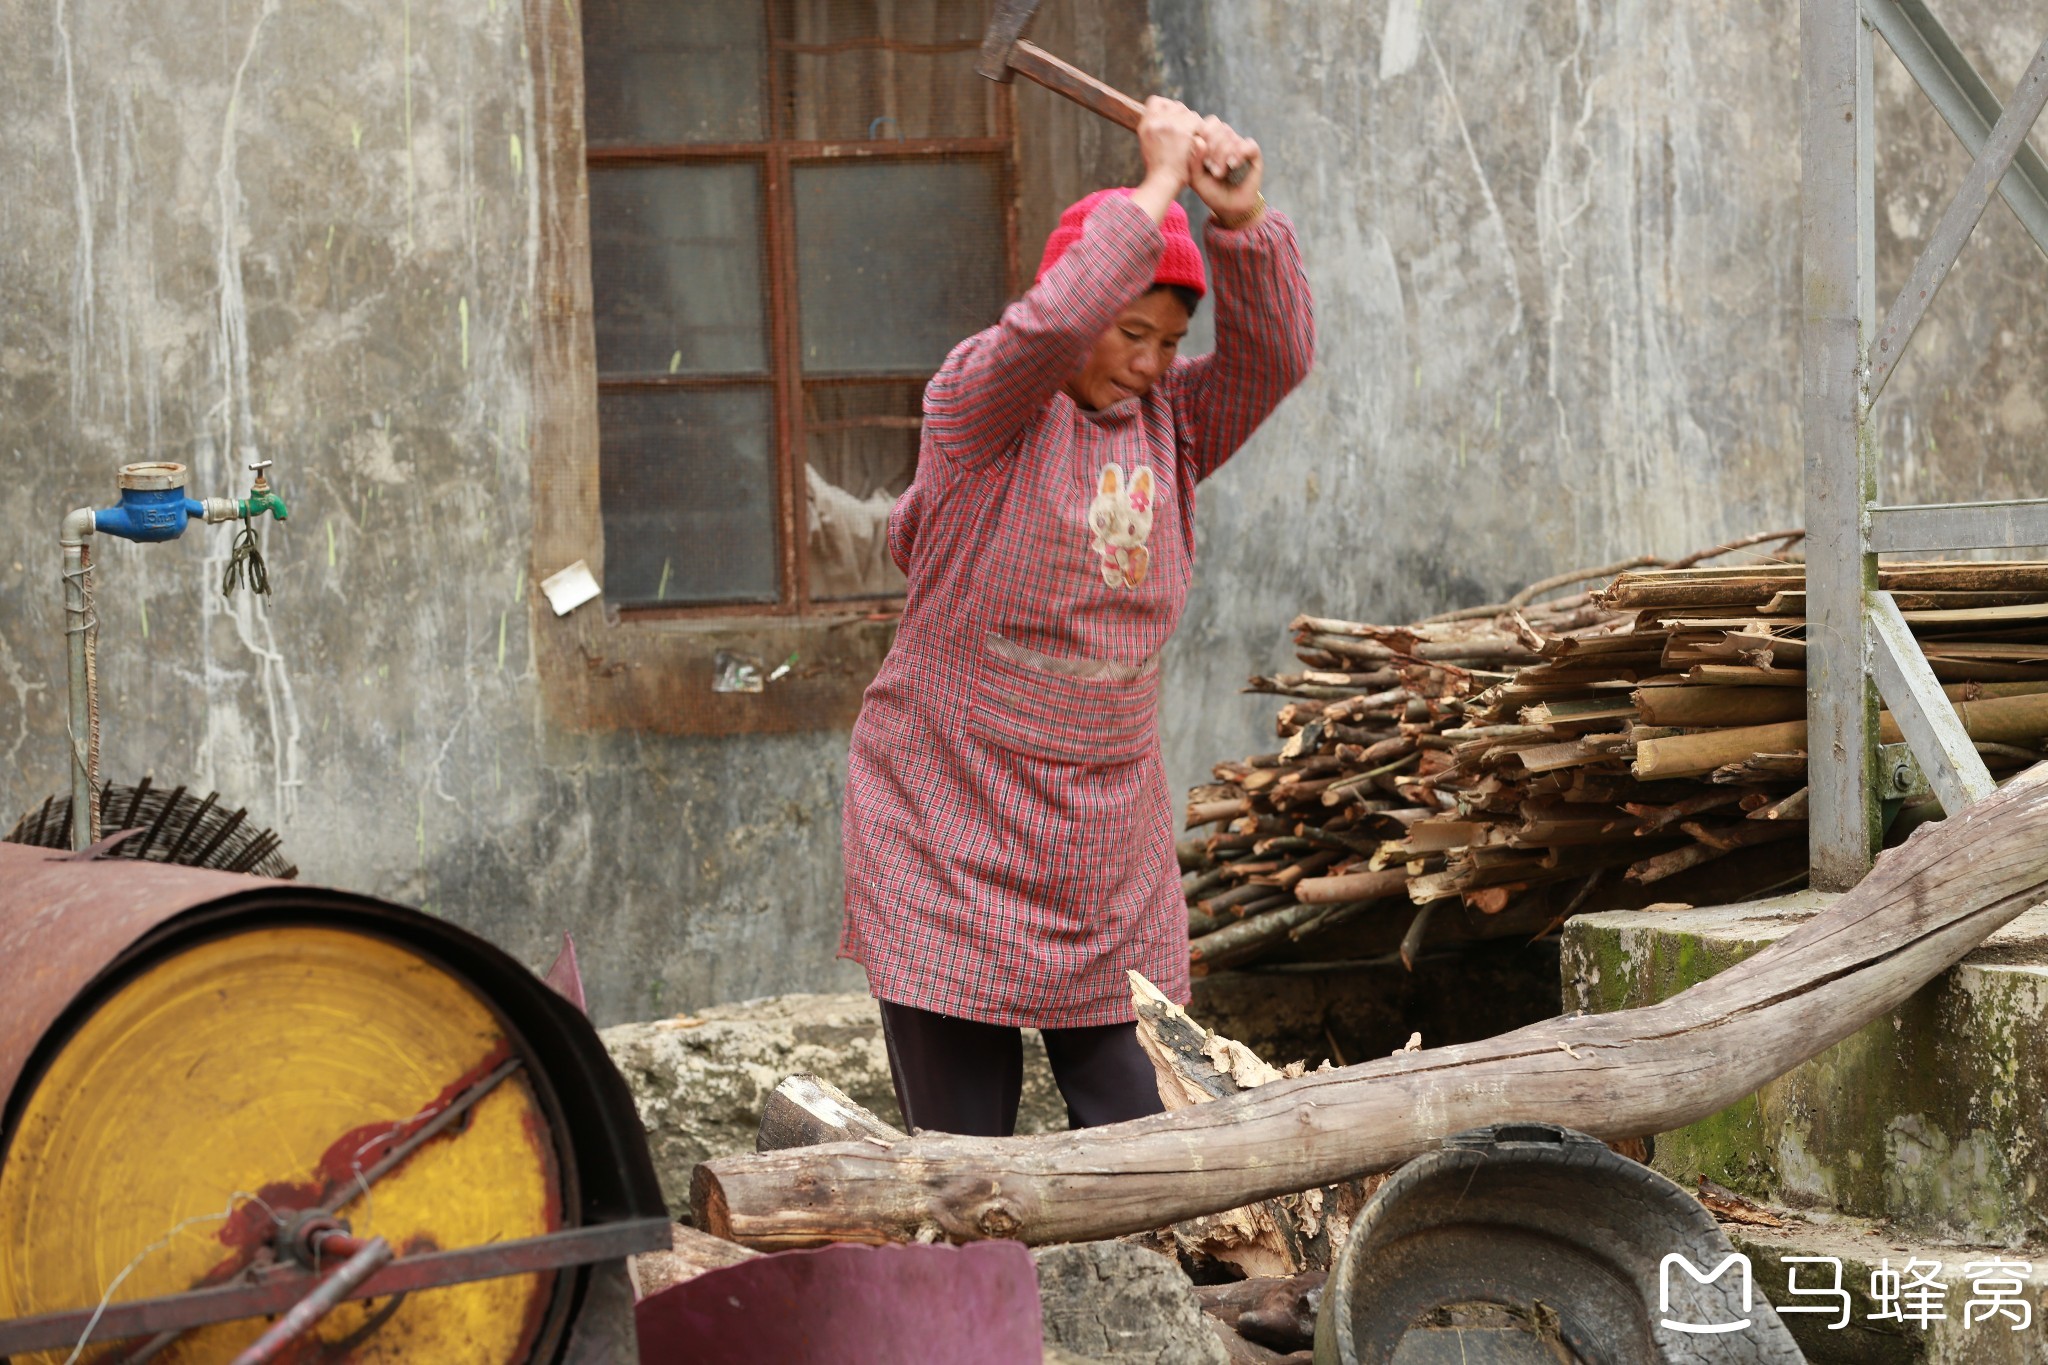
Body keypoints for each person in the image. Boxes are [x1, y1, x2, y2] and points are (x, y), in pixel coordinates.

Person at [839, 97, 1316, 1137]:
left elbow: (1273, 359)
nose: (1150, 360)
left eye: (1168, 339)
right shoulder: (983, 408)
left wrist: (1235, 219)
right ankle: (984, 1302)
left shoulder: (1173, 425)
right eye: (1130, 330)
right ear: (1079, 295)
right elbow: (1050, 326)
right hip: (951, 821)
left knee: (1142, 1126)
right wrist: (1154, 185)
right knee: (968, 1155)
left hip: (1103, 837)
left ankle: (1160, 1298)